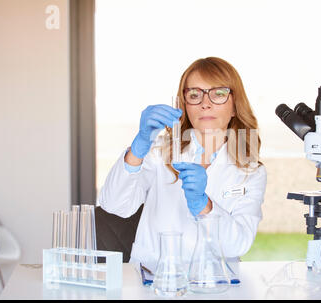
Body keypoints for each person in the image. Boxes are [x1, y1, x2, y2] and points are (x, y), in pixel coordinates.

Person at [99, 57, 267, 275]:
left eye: (219, 94)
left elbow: (238, 244)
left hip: (215, 283)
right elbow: (114, 205)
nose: (205, 103)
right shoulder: (159, 152)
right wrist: (138, 147)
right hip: (153, 278)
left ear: (235, 106)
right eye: (195, 95)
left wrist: (204, 205)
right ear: (184, 105)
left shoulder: (251, 171)